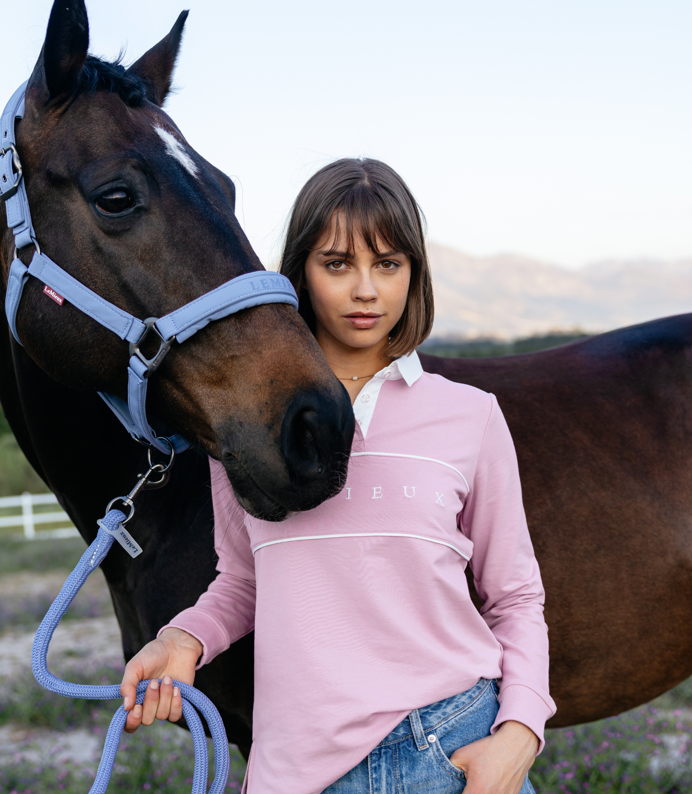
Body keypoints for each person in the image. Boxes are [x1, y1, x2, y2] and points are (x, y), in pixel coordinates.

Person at [119, 158, 556, 794]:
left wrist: (520, 732)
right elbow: (243, 578)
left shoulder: (470, 417)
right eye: (337, 264)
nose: (365, 291)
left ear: (414, 274)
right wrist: (185, 639)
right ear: (299, 272)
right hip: (295, 771)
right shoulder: (248, 426)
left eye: (388, 264)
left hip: (453, 750)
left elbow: (515, 595)